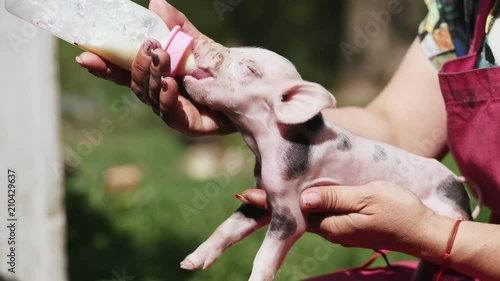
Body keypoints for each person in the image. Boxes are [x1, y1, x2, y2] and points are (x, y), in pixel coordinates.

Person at [76, 0, 500, 280]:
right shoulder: (465, 9)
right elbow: (396, 129)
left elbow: (286, 220)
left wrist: (433, 235)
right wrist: (247, 114)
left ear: (293, 101)